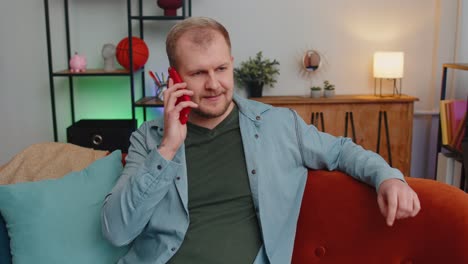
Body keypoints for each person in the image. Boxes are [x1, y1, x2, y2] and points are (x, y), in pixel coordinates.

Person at [101, 17, 421, 264]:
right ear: (174, 78)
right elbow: (116, 230)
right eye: (198, 73)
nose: (214, 84)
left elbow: (340, 151)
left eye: (222, 68)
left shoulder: (277, 124)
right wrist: (169, 148)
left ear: (232, 64)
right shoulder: (150, 138)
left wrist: (387, 177)